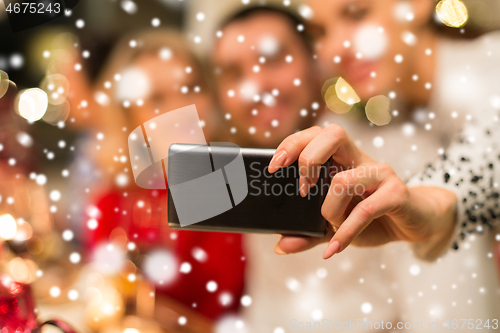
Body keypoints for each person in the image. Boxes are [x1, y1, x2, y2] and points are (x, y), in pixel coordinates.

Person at [270, 0, 500, 329]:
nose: (336, 48)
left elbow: (491, 148)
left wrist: (433, 199)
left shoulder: (492, 67)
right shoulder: (377, 123)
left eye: (356, 13)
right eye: (321, 32)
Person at [211, 6, 399, 332]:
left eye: (272, 60)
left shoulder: (388, 161)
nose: (254, 87)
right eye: (233, 73)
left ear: (315, 62)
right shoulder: (248, 171)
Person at [81, 30, 245, 330]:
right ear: (131, 116)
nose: (180, 109)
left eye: (191, 88)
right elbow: (103, 305)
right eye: (156, 97)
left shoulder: (248, 186)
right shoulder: (111, 204)